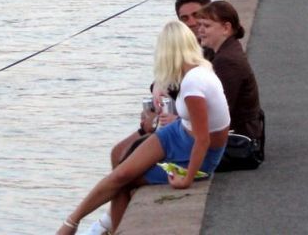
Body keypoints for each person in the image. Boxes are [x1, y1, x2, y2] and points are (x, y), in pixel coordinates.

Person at [57, 21, 230, 235]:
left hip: (197, 152)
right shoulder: (198, 70)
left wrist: (187, 179)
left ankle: (76, 227)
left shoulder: (194, 84)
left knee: (123, 182)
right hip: (179, 132)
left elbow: (203, 139)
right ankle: (71, 223)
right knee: (121, 169)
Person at [84, 0, 211, 235]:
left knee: (126, 165)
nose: (192, 23)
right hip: (173, 126)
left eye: (197, 16)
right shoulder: (187, 50)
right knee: (118, 153)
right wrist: (158, 87)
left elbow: (209, 110)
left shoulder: (208, 54)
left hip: (188, 133)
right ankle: (113, 221)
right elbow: (169, 77)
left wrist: (179, 119)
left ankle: (108, 223)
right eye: (185, 19)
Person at [197, 0, 264, 170]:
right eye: (200, 25)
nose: (200, 31)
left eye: (206, 26)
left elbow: (219, 110)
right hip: (243, 135)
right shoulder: (227, 51)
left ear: (226, 28)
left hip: (239, 144)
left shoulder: (226, 61)